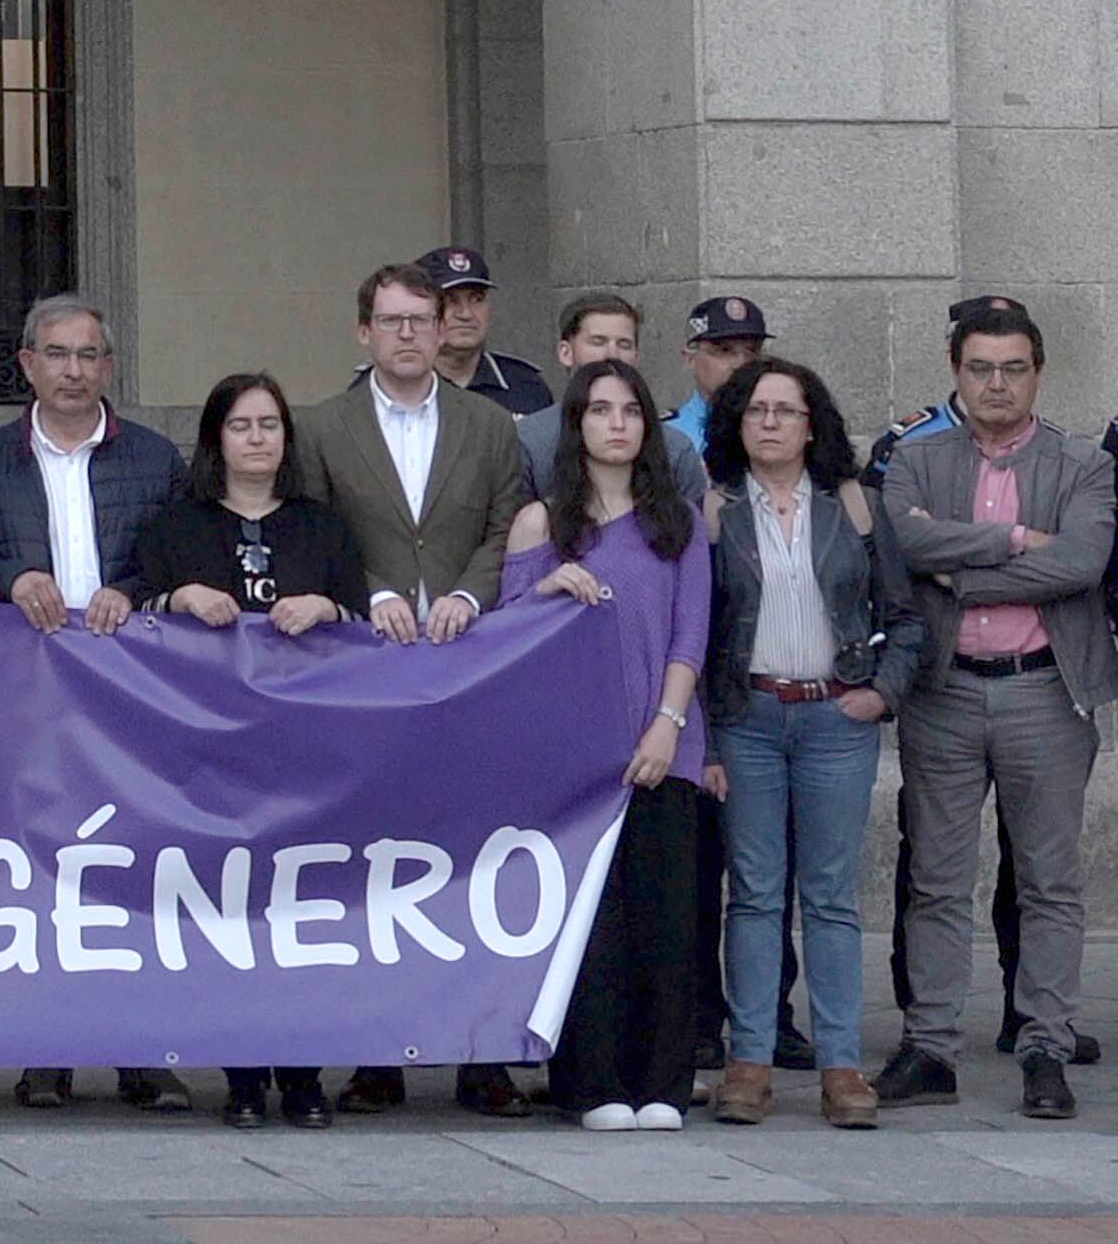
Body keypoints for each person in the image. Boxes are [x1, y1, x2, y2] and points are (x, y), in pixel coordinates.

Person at [298, 261, 535, 1122]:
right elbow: (312, 533)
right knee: (372, 870)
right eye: (391, 320)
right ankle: (375, 1056)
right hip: (366, 675)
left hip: (470, 672)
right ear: (363, 331)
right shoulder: (319, 426)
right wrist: (373, 594)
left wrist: (472, 594)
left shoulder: (489, 424)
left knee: (473, 869)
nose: (407, 334)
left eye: (421, 320)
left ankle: (483, 1055)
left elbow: (510, 521)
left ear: (443, 331)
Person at [0, 293, 186, 1112]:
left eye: (88, 355)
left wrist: (129, 586)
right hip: (32, 696)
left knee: (136, 864)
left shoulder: (157, 458)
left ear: (109, 367)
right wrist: (10, 579)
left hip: (132, 699)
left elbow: (178, 553)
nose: (73, 370)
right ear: (27, 363)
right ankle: (44, 1050)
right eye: (57, 354)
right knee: (44, 867)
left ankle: (141, 1053)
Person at [874, 296, 1109, 1122]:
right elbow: (904, 543)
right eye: (981, 367)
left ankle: (1044, 1044)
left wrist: (961, 566)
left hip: (1045, 689)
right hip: (943, 691)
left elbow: (1081, 561)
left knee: (1050, 882)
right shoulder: (916, 458)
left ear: (1037, 373)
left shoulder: (1082, 463)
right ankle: (931, 1046)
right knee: (936, 880)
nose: (997, 383)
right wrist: (1014, 541)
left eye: (1013, 367)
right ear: (956, 372)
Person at [699, 355, 920, 1132]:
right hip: (747, 718)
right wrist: (706, 738)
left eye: (785, 410)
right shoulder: (714, 509)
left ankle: (839, 1065)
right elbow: (695, 627)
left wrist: (881, 692)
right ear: (736, 421)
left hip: (835, 720)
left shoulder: (856, 506)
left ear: (812, 423)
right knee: (755, 893)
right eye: (756, 409)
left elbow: (907, 613)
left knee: (828, 896)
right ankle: (749, 1062)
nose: (769, 422)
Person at [139, 373, 361, 1129]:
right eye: (241, 425)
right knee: (232, 912)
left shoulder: (323, 528)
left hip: (305, 755)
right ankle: (240, 1077)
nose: (258, 438)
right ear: (216, 439)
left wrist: (330, 606)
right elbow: (133, 612)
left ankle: (302, 1076)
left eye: (270, 424)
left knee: (297, 912)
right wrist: (177, 599)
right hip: (211, 752)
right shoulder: (176, 527)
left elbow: (365, 624)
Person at [504, 361, 716, 1130]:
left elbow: (691, 633)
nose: (618, 422)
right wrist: (542, 589)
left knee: (667, 919)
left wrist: (669, 721)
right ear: (577, 424)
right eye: (601, 409)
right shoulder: (541, 523)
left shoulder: (681, 522)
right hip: (571, 755)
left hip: (662, 744)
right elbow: (503, 639)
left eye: (633, 409)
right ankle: (591, 1082)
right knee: (590, 922)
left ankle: (662, 1080)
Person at [513, 291, 644, 480]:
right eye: (598, 342)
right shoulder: (527, 441)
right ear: (565, 353)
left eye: (624, 345)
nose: (612, 355)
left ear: (636, 357)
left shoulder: (672, 447)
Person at [425, 248, 551, 417]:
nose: (466, 314)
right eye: (450, 300)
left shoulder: (526, 385)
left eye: (477, 299)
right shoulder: (403, 385)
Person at [673, 295, 769, 457]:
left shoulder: (777, 429)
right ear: (690, 358)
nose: (740, 364)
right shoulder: (666, 435)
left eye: (751, 351)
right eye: (724, 351)